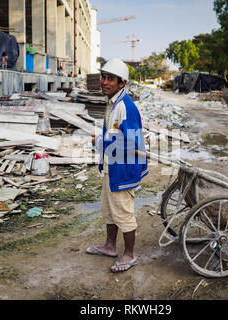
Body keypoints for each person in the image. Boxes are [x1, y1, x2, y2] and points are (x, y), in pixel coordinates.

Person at [86, 58, 148, 273]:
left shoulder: (125, 107)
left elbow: (130, 143)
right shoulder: (113, 101)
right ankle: (110, 247)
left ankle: (129, 255)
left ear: (122, 83)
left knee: (123, 213)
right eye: (103, 77)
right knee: (109, 210)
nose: (104, 82)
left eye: (110, 78)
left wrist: (100, 142)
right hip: (112, 166)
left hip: (123, 170)